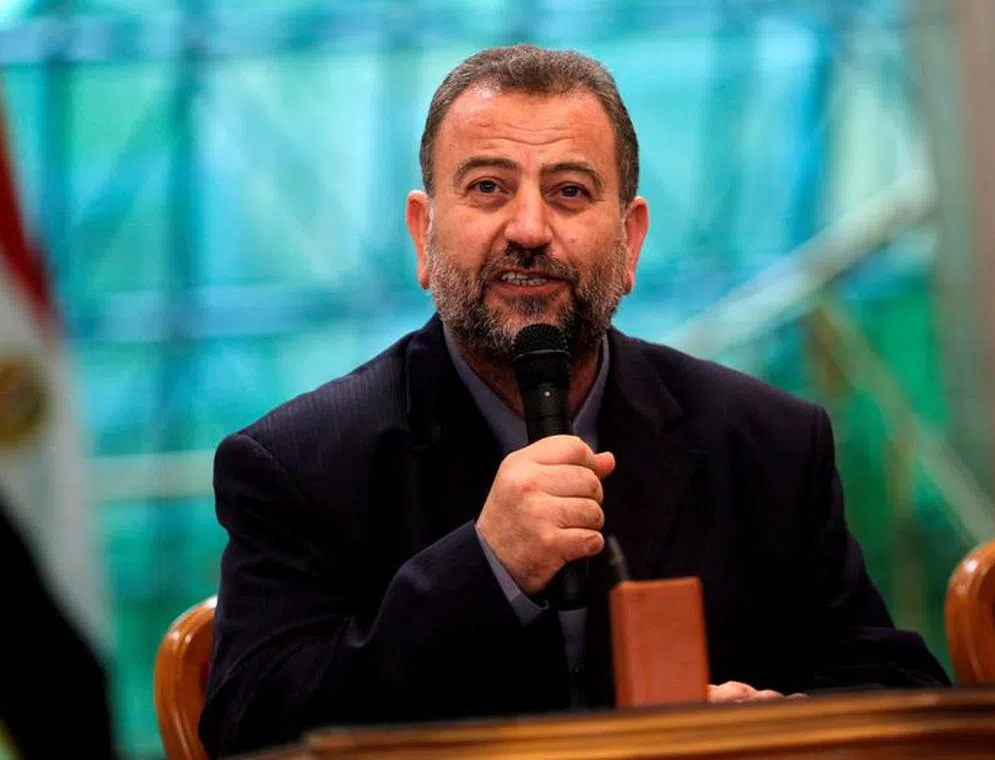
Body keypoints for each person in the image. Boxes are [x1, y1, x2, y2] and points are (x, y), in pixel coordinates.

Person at [198, 44, 950, 757]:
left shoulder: (769, 442)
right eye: (489, 187)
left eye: (569, 192)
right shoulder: (296, 464)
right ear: (424, 236)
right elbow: (252, 732)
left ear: (630, 242)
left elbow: (901, 692)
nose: (529, 230)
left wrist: (786, 727)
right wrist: (484, 567)